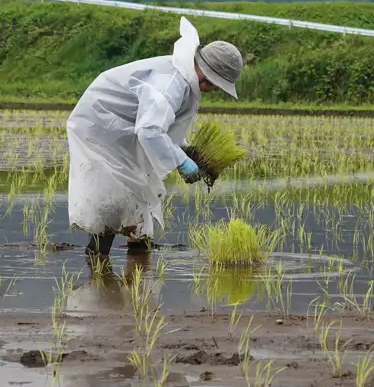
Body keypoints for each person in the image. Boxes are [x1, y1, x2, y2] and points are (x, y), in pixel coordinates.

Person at [66, 17, 243, 258]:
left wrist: (184, 149)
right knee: (114, 197)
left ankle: (138, 257)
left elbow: (162, 125)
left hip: (122, 128)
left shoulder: (183, 78)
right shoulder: (171, 83)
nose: (213, 91)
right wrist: (182, 162)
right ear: (206, 76)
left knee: (139, 194)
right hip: (101, 129)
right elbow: (150, 129)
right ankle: (97, 259)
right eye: (215, 86)